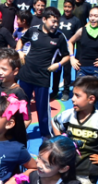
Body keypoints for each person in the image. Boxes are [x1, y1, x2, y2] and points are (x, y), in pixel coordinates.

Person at [16, 7, 70, 138]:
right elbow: (21, 41)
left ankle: (46, 134)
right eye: (53, 21)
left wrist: (58, 64)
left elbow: (67, 56)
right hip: (25, 74)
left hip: (43, 77)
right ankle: (16, 131)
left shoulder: (59, 36)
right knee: (21, 105)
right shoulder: (33, 30)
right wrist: (19, 52)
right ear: (44, 19)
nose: (55, 25)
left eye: (57, 22)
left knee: (43, 109)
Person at [53, 0, 82, 101]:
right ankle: (55, 91)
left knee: (67, 72)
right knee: (56, 71)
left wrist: (75, 53)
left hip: (69, 50)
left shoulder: (76, 21)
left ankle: (66, 91)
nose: (67, 9)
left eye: (69, 7)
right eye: (65, 6)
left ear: (73, 8)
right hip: (57, 50)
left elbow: (78, 37)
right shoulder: (59, 18)